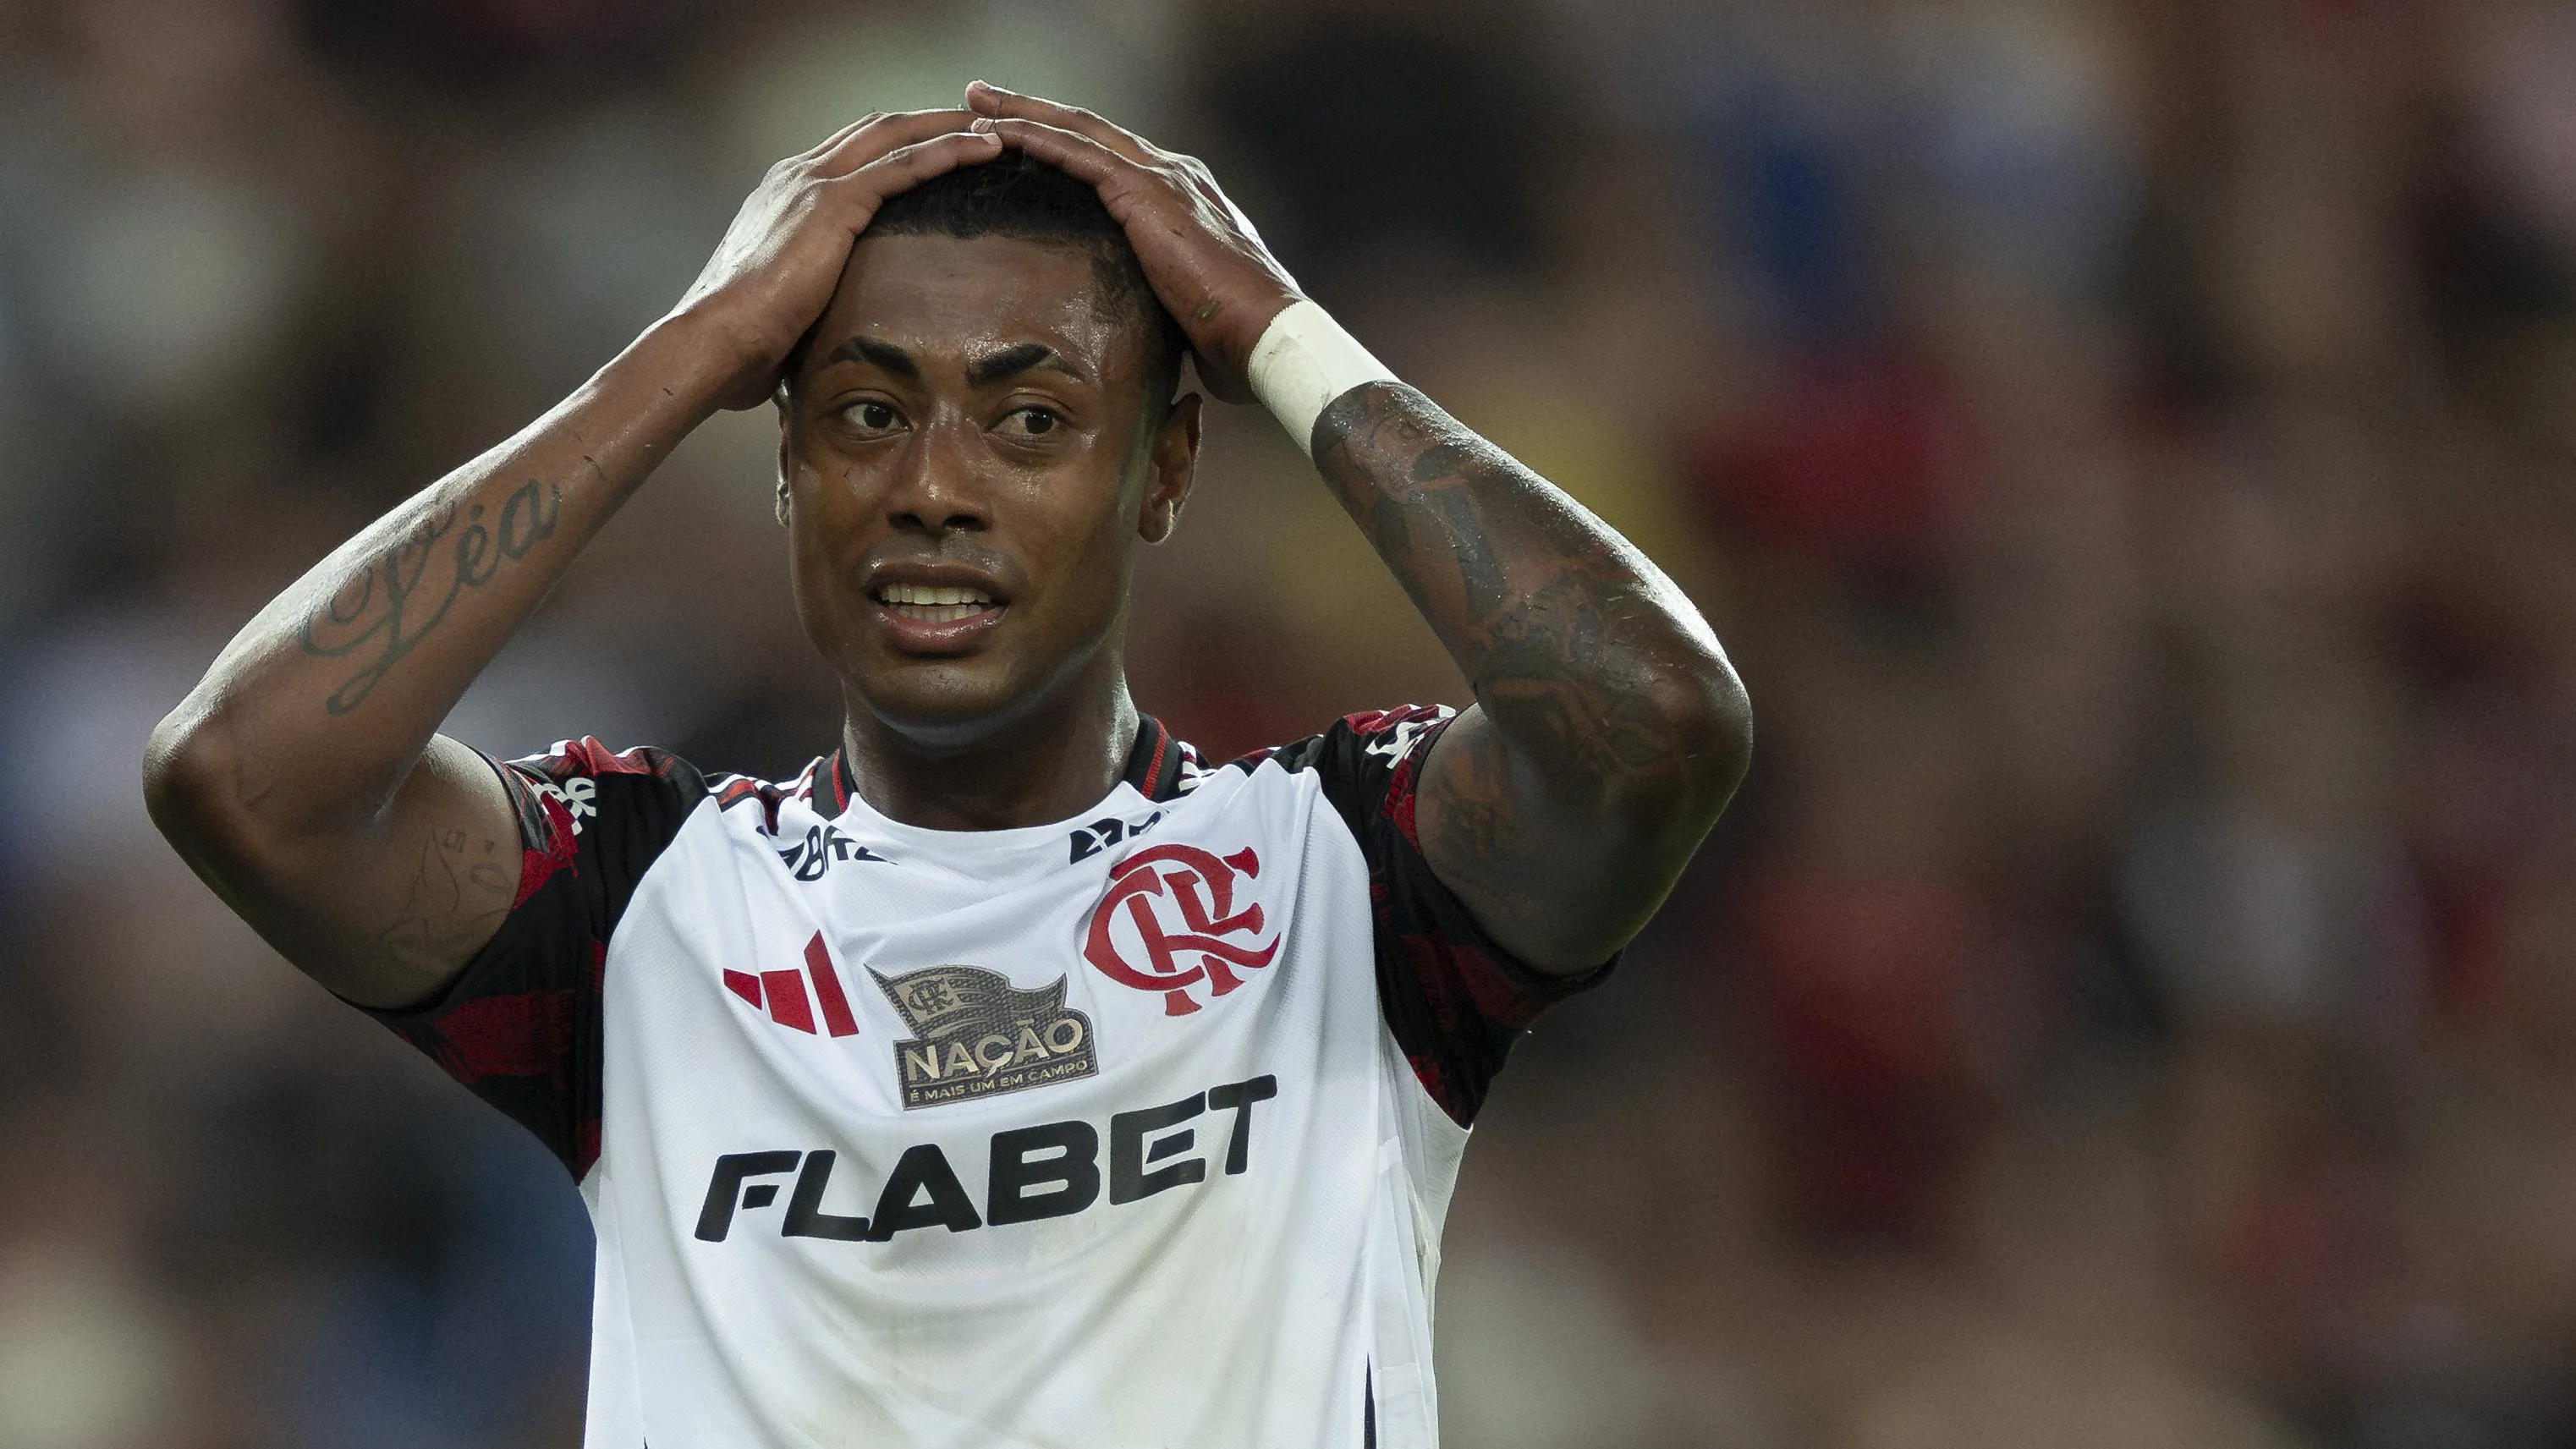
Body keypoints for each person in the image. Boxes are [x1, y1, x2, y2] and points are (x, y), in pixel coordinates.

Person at [143, 86, 1751, 1448]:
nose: (933, 488)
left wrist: (1274, 330)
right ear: (782, 461)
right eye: (858, 412)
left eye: (1033, 421)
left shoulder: (1347, 872)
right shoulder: (642, 908)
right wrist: (694, 349)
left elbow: (1655, 721)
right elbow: (246, 778)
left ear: (1167, 467)